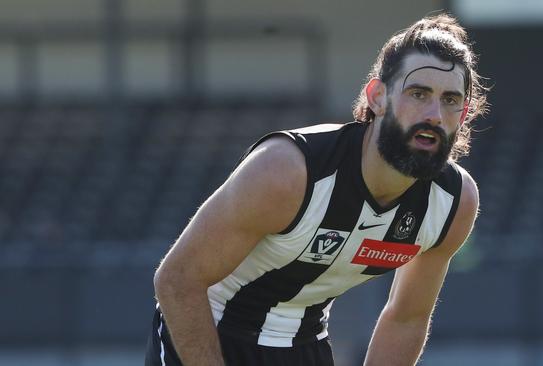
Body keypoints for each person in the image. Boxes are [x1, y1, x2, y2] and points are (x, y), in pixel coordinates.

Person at [145, 13, 488, 366]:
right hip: (208, 332)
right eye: (418, 93)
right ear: (377, 97)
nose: (434, 114)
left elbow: (406, 319)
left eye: (450, 100)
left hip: (305, 343)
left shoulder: (453, 203)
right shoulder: (286, 171)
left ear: (463, 116)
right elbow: (177, 281)